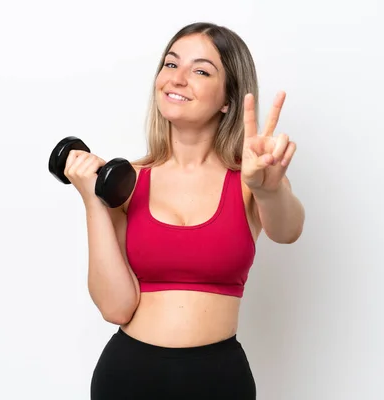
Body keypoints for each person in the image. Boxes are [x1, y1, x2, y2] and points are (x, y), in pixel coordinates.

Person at [64, 22, 305, 400]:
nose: (177, 79)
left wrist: (267, 189)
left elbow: (288, 230)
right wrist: (93, 200)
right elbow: (116, 307)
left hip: (218, 380)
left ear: (228, 98)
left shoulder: (253, 177)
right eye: (171, 64)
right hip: (127, 377)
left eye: (201, 70)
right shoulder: (128, 182)